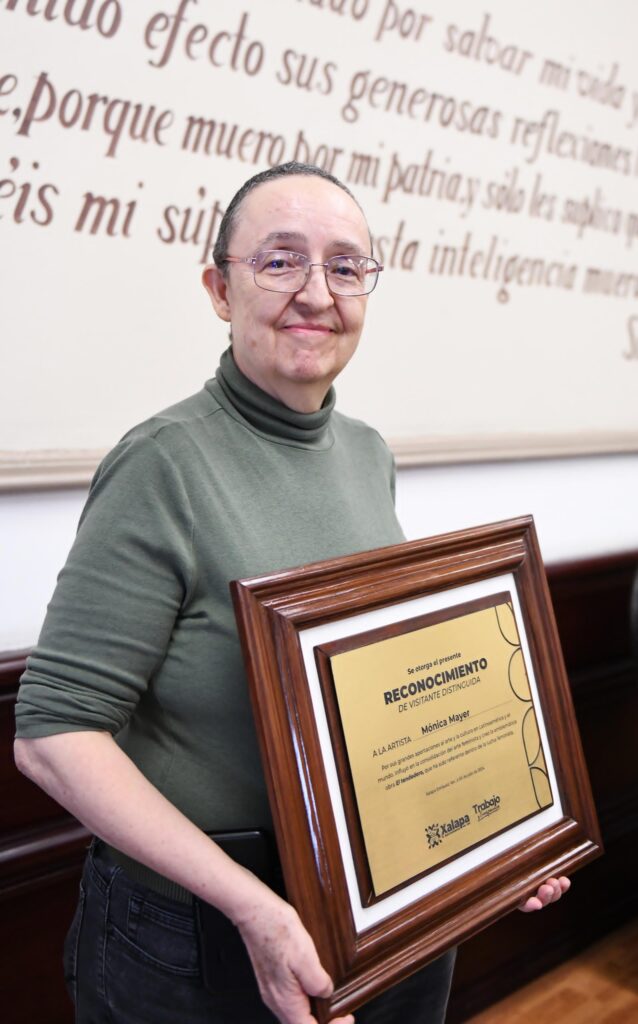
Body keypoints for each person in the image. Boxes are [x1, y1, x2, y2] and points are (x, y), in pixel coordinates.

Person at [14, 162, 569, 1024]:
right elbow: (53, 734)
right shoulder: (162, 464)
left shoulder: (366, 452)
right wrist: (255, 909)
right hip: (197, 936)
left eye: (345, 267)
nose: (317, 293)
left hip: (376, 905)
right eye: (280, 261)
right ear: (219, 289)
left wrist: (496, 841)